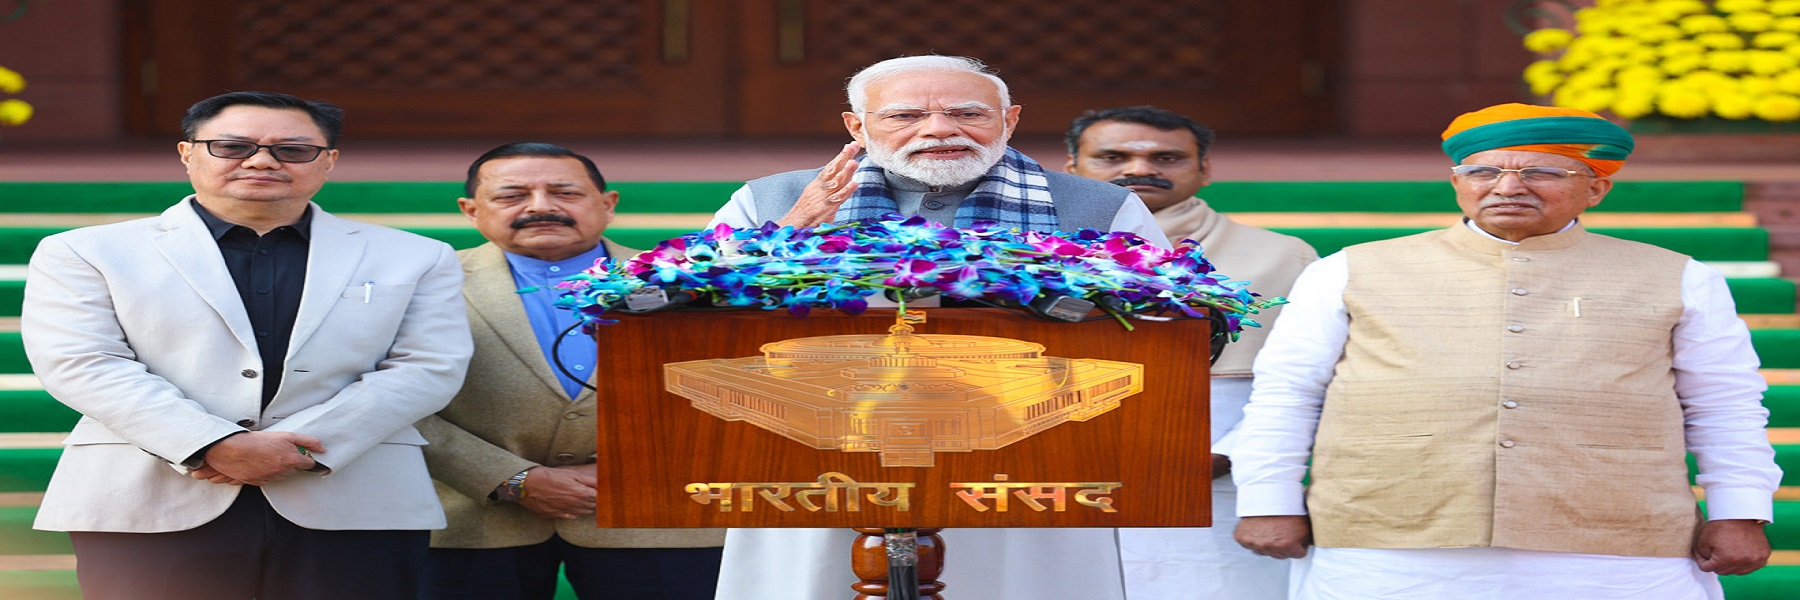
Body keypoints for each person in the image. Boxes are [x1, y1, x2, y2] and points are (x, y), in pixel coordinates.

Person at [1229, 103, 1782, 599]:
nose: (1508, 186)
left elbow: (1724, 404)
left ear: (1597, 189)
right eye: (1484, 170)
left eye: (1542, 172)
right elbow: (1289, 391)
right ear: (1457, 182)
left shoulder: (1679, 277)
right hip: (1388, 539)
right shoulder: (1348, 270)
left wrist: (1741, 510)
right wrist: (1267, 498)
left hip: (1613, 543)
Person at [21, 91, 473, 600]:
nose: (261, 160)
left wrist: (299, 449)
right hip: (149, 494)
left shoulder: (416, 256)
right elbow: (83, 363)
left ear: (329, 162)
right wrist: (212, 444)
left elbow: (428, 367)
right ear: (187, 154)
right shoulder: (84, 251)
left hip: (354, 494)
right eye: (232, 146)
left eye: (293, 149)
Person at [416, 142, 725, 600]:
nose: (541, 207)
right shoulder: (421, 285)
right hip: (474, 521)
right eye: (511, 195)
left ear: (608, 204)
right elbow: (390, 398)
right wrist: (507, 477)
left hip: (659, 516)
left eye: (564, 192)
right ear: (470, 209)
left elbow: (732, 387)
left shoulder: (691, 281)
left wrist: (632, 471)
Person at [1064, 105, 1316, 599]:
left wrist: (1226, 454)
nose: (1139, 169)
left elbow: (1314, 377)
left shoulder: (1282, 255)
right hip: (1059, 476)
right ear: (1072, 169)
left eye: (1167, 157)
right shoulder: (1018, 252)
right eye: (1113, 156)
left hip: (1219, 481)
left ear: (1204, 170)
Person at [708, 55, 1171, 249]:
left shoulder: (1106, 208)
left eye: (969, 114)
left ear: (1009, 121)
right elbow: (698, 302)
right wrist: (790, 231)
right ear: (858, 127)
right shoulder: (768, 199)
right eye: (904, 116)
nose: (939, 130)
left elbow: (1168, 320)